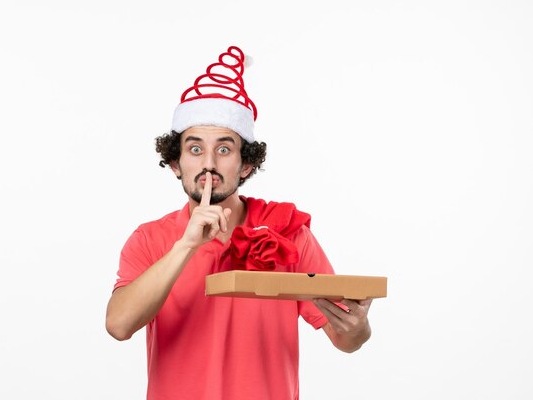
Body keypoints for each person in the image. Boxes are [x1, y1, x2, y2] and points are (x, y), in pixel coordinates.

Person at [105, 46, 373, 400]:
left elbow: (345, 339)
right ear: (175, 163)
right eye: (195, 149)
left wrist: (359, 327)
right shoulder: (149, 239)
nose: (210, 164)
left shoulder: (287, 230)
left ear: (246, 165)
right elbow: (118, 326)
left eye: (225, 149)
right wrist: (186, 245)